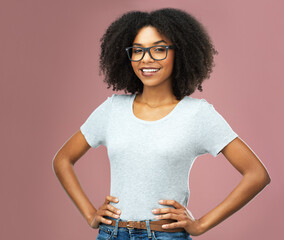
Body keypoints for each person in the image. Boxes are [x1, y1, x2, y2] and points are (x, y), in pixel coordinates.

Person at [52, 8, 271, 240]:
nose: (146, 58)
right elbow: (62, 159)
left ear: (180, 53)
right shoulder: (112, 109)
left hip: (164, 235)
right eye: (138, 50)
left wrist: (201, 225)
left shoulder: (197, 114)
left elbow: (256, 174)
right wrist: (89, 215)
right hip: (112, 234)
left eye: (159, 49)